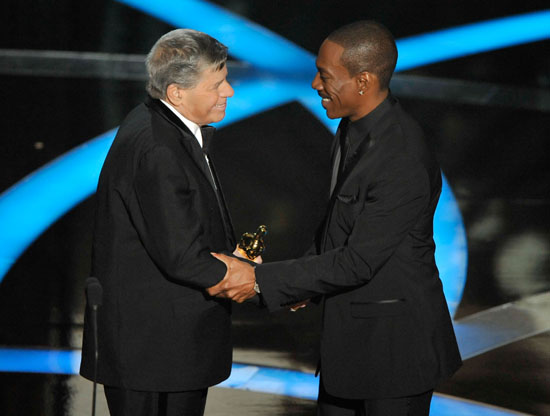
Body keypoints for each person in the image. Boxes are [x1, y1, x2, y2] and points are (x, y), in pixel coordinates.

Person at [208, 20, 462, 415]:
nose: (314, 84)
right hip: (352, 348)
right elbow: (340, 226)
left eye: (325, 76)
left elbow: (358, 260)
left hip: (395, 353)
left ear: (363, 82)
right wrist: (302, 284)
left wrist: (259, 280)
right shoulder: (351, 129)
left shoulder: (400, 156)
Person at [80, 28, 237, 416]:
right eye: (216, 83)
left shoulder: (158, 126)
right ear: (176, 93)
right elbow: (182, 256)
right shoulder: (159, 148)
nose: (229, 91)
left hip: (158, 348)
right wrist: (244, 277)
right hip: (154, 355)